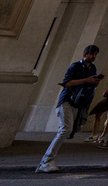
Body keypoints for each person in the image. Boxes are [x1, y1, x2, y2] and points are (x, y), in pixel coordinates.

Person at [37, 45, 102, 173]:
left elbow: (89, 85)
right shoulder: (75, 66)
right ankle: (46, 161)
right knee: (65, 129)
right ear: (85, 54)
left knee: (69, 129)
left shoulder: (92, 68)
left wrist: (95, 82)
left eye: (95, 54)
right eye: (92, 54)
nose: (94, 56)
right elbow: (67, 83)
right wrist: (86, 80)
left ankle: (46, 161)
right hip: (67, 100)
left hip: (78, 102)